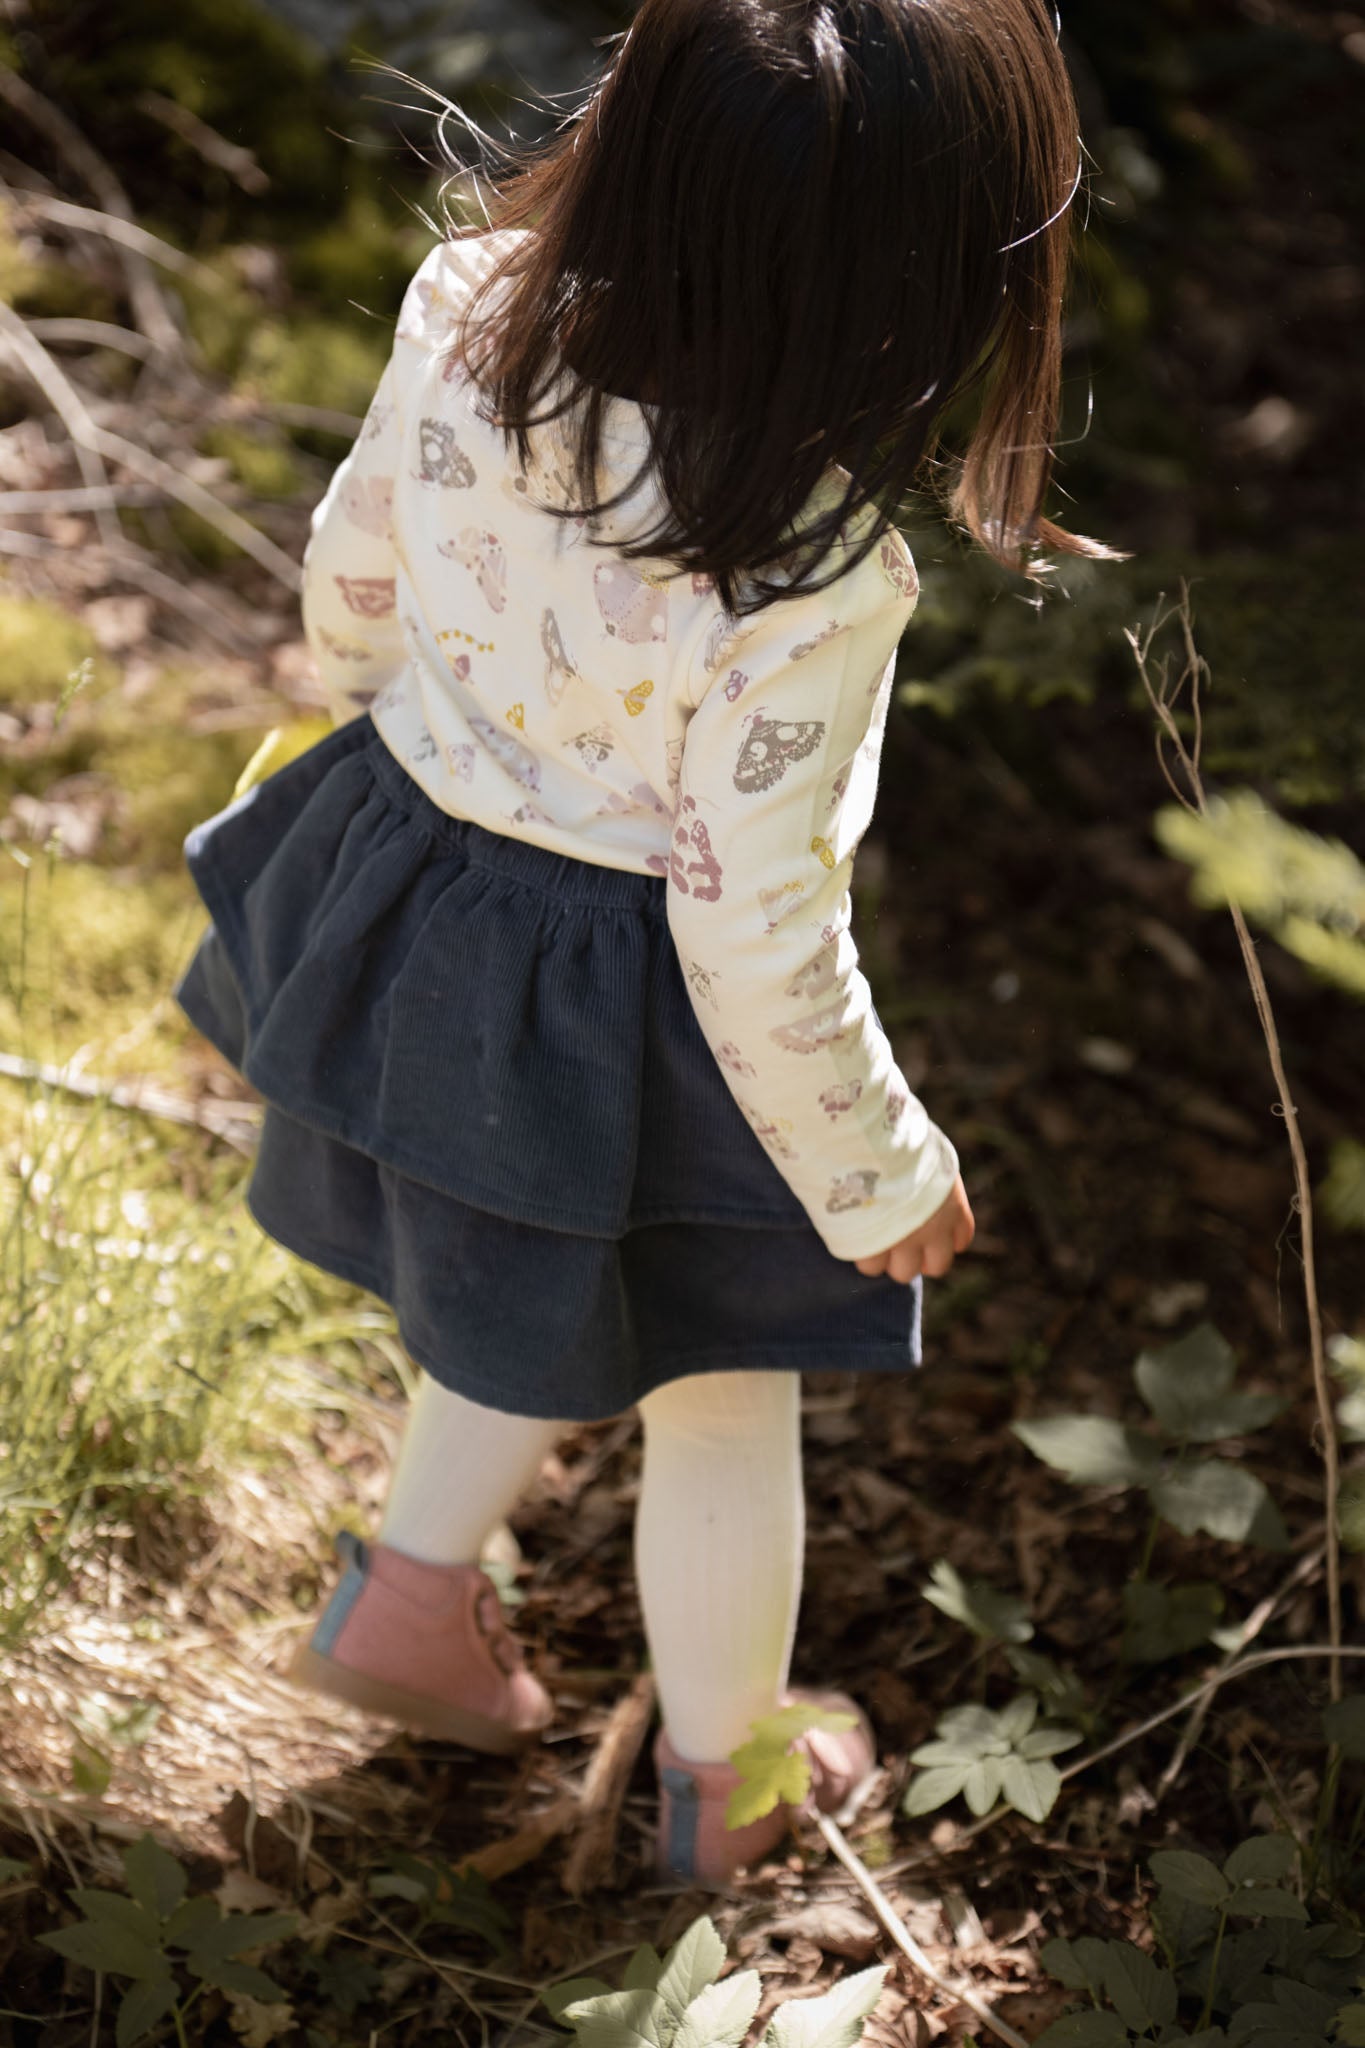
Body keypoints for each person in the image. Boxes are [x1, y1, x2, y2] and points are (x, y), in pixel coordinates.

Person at [177, 0, 1109, 1886]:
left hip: (427, 887)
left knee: (506, 1280)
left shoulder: (467, 309)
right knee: (717, 1401)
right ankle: (730, 1782)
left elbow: (354, 574)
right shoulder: (818, 564)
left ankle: (409, 1606)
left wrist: (381, 753)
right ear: (919, 282)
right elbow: (749, 913)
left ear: (635, 128)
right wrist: (876, 1171)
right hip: (647, 1011)